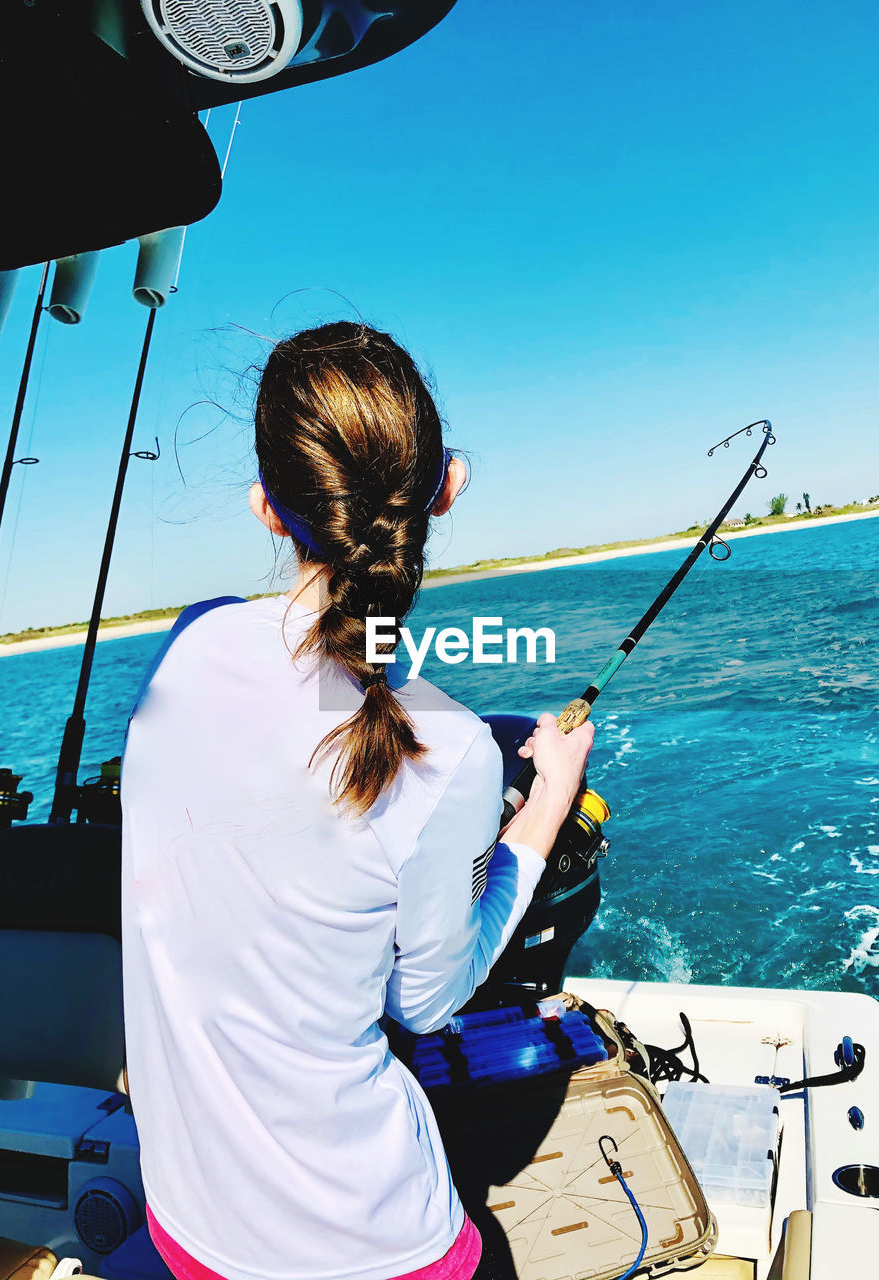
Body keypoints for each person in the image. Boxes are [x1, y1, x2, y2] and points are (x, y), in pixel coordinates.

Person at [121, 322, 595, 1280]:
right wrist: (542, 809)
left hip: (182, 1218)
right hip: (367, 1246)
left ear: (266, 506)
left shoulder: (187, 646)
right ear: (448, 486)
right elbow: (424, 1002)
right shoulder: (448, 750)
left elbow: (315, 689)